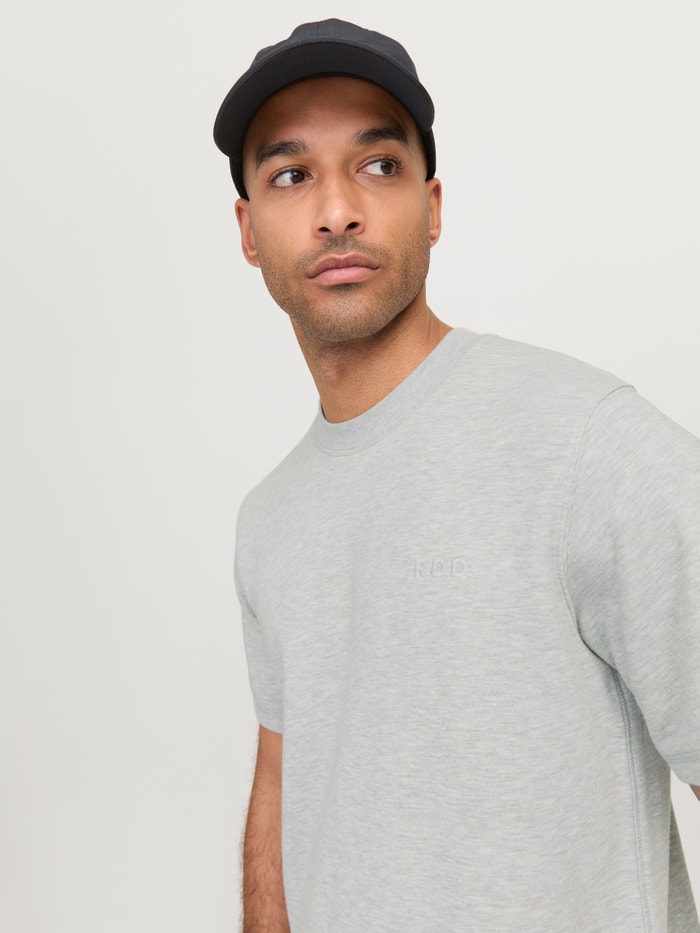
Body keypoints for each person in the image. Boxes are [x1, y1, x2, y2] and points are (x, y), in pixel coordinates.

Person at [214, 19, 700, 933]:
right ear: (247, 230)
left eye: (378, 165)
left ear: (432, 207)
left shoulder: (583, 441)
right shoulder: (269, 519)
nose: (336, 210)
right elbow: (284, 782)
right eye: (291, 175)